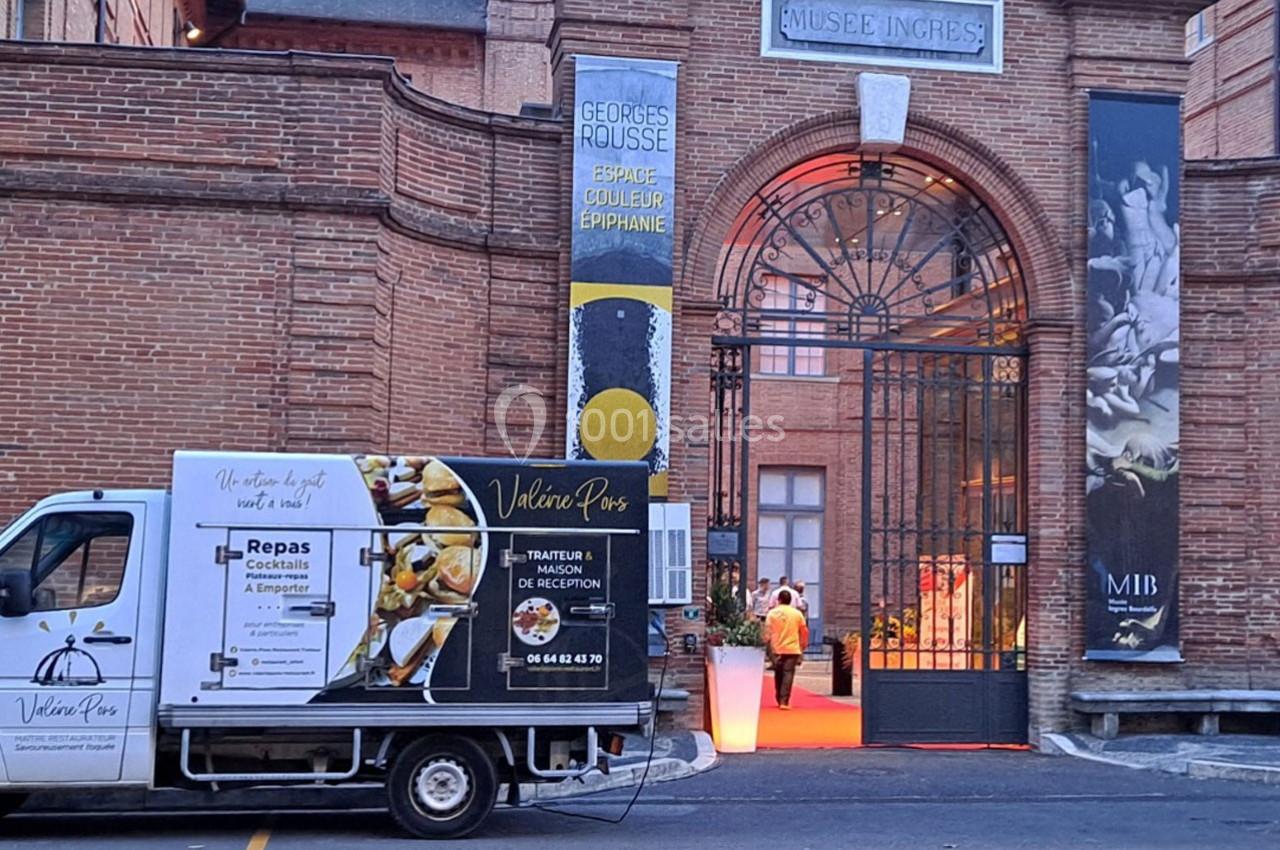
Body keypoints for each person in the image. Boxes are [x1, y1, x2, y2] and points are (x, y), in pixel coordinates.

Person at [764, 589, 809, 710]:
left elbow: (767, 631)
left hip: (776, 647)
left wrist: (766, 644)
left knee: (778, 673)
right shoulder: (796, 614)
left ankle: (778, 696)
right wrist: (803, 645)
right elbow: (804, 631)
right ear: (790, 600)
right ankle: (784, 700)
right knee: (788, 673)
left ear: (778, 600)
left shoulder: (772, 613)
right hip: (792, 647)